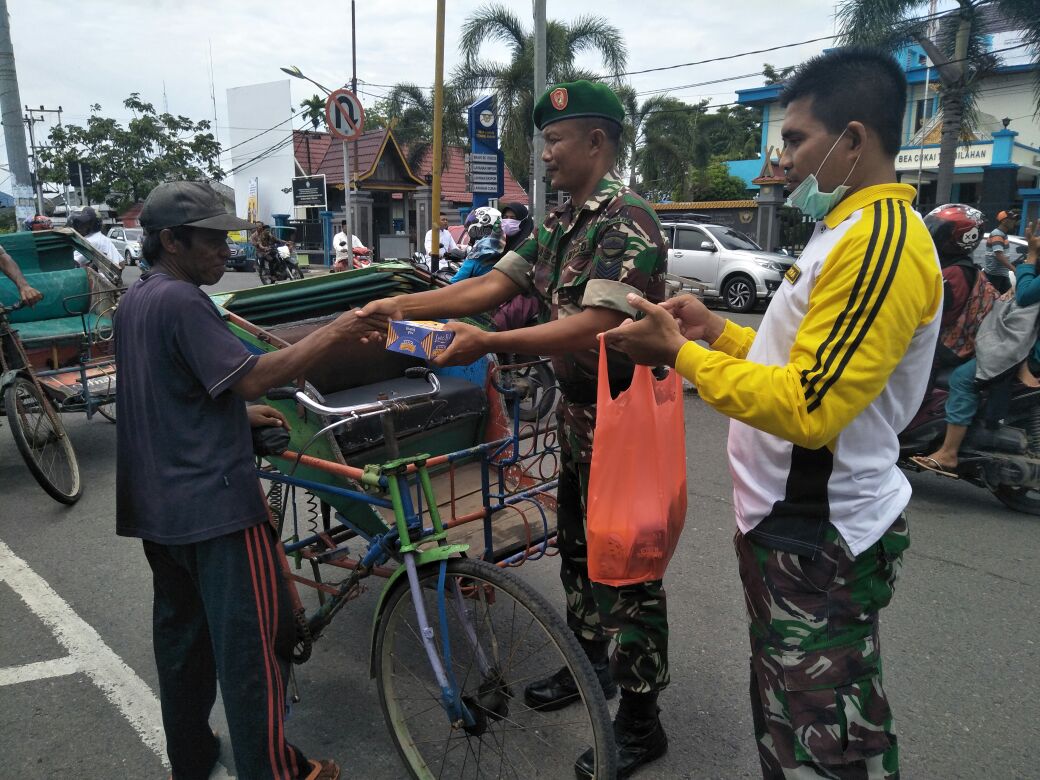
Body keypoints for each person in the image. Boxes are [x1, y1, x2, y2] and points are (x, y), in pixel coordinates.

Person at [603, 48, 942, 779]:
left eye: (794, 139)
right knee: (789, 719)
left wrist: (678, 354)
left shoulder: (880, 243)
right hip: (786, 525)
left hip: (820, 535)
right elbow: (795, 361)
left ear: (853, 141)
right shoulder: (841, 231)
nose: (781, 159)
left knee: (830, 744)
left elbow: (809, 406)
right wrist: (714, 332)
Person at [359, 80, 670, 778]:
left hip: (627, 422)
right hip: (579, 416)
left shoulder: (627, 220)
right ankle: (591, 665)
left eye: (555, 140)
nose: (546, 153)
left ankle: (642, 721)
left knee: (628, 568)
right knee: (579, 551)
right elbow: (494, 285)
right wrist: (402, 304)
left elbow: (597, 324)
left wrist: (489, 344)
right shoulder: (560, 221)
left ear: (596, 141)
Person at [116, 181, 387, 780]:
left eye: (226, 238)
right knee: (250, 652)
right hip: (215, 509)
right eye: (211, 240)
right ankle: (277, 773)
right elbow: (256, 377)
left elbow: (167, 394)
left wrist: (234, 418)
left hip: (160, 510)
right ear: (171, 241)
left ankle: (191, 759)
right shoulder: (183, 301)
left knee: (184, 646)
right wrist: (338, 330)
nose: (225, 249)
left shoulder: (137, 300)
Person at [912, 219, 1040, 475]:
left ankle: (948, 453)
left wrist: (1031, 257)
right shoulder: (958, 268)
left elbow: (1025, 295)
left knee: (962, 379)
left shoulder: (954, 272)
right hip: (1021, 342)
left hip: (1028, 349)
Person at [923, 203, 994, 368]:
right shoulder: (947, 265)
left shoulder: (953, 272)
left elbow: (935, 315)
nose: (930, 235)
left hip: (935, 348)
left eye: (937, 231)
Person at [982, 209, 1019, 294]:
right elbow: (999, 255)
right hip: (994, 275)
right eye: (1012, 219)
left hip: (1001, 274)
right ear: (1004, 221)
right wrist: (1014, 269)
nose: (1014, 222)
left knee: (1006, 297)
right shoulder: (997, 234)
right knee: (995, 299)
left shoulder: (1002, 234)